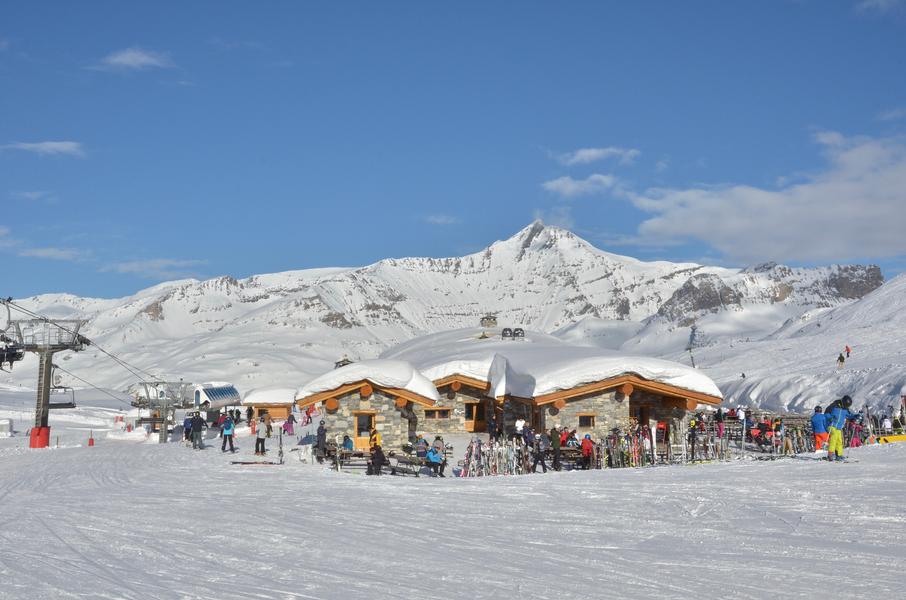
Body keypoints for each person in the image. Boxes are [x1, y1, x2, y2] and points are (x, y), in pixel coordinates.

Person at [827, 395, 856, 461]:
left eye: (847, 406)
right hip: (831, 425)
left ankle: (839, 455)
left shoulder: (845, 409)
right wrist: (830, 417)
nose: (846, 407)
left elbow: (849, 416)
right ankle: (830, 454)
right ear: (843, 402)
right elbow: (826, 413)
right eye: (845, 405)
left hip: (839, 427)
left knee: (839, 441)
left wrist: (855, 416)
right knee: (833, 438)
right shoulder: (834, 406)